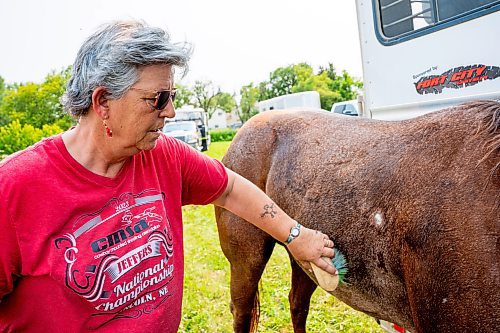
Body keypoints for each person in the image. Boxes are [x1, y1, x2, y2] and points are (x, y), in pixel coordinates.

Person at [0, 20, 336, 332]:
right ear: (102, 101)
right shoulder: (15, 188)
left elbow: (230, 187)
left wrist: (295, 235)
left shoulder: (163, 155)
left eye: (172, 97)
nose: (170, 112)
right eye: (157, 99)